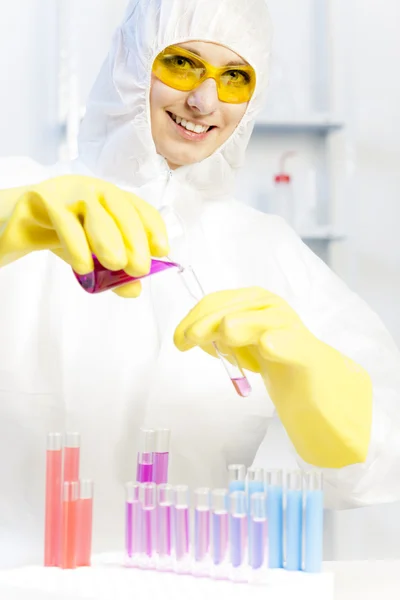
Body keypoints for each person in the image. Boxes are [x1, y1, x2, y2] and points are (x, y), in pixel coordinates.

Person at [0, 0, 399, 567]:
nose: (204, 101)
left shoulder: (271, 250)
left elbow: (378, 462)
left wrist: (311, 370)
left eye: (234, 77)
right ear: (134, 64)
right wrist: (13, 221)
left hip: (194, 583)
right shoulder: (29, 197)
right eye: (183, 64)